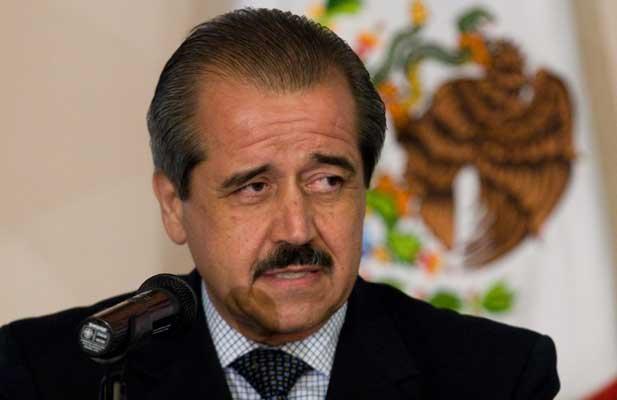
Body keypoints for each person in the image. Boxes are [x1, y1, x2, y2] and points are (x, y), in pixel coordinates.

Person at [0, 8, 559, 399]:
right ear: (173, 205)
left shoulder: (495, 377)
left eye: (327, 181)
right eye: (254, 187)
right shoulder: (45, 374)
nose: (297, 229)